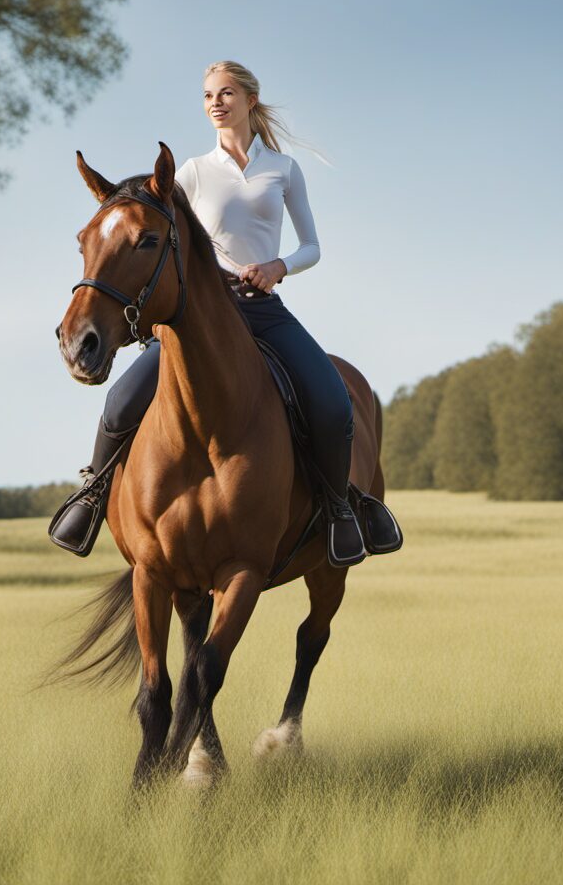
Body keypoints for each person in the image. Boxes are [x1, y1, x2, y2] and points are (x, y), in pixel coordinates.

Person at [49, 60, 401, 566]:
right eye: (208, 95)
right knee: (123, 400)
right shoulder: (189, 173)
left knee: (333, 402)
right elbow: (168, 240)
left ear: (249, 101)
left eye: (226, 93)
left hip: (262, 309)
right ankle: (91, 496)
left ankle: (342, 508)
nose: (215, 102)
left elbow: (312, 247)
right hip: (203, 313)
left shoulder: (282, 170)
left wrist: (278, 266)